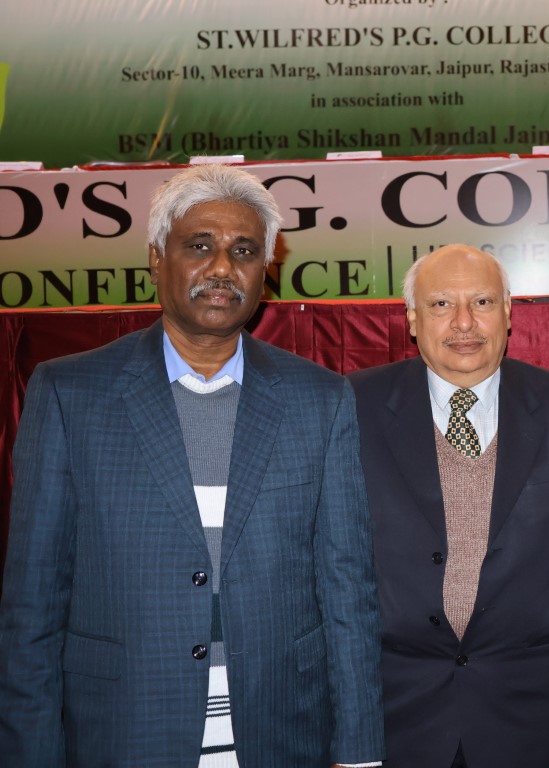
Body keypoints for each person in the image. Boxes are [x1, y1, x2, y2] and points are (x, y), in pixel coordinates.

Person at [0, 164, 386, 768]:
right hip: (123, 733)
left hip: (281, 731)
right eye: (200, 246)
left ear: (266, 269)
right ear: (157, 259)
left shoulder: (321, 399)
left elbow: (347, 589)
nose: (222, 268)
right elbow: (33, 605)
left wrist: (359, 751)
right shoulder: (71, 394)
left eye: (244, 251)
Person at [347, 244, 549, 768]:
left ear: (508, 313)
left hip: (526, 718)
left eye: (481, 302)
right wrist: (343, 729)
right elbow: (333, 576)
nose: (463, 323)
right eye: (440, 304)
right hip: (393, 718)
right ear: (412, 319)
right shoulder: (353, 406)